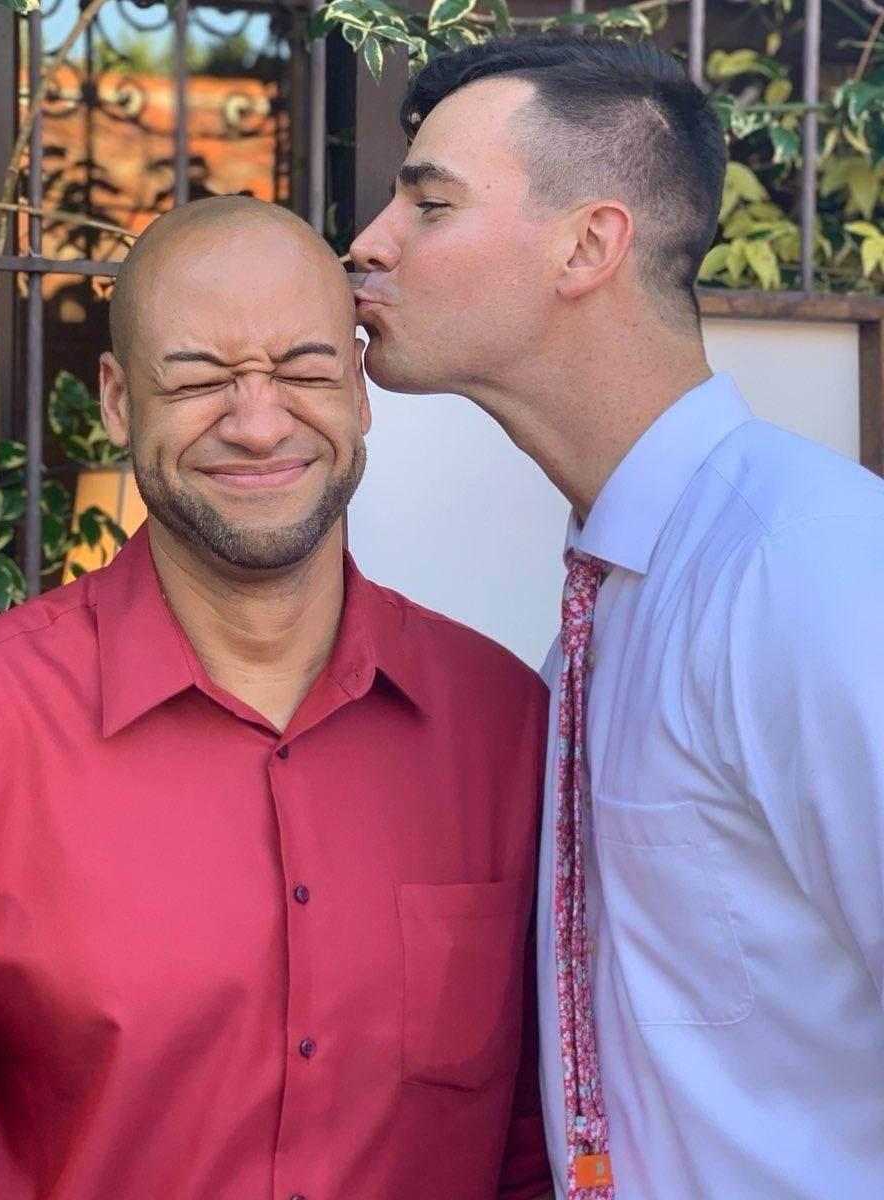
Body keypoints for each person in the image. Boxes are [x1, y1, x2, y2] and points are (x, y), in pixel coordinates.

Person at [0, 196, 552, 1200]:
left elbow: (542, 1148)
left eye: (306, 372)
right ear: (117, 400)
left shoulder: (502, 726)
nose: (258, 422)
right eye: (200, 379)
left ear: (359, 392)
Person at [351, 33, 884, 1200]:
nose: (369, 243)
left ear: (589, 245)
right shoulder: (608, 611)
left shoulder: (810, 567)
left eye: (430, 204)